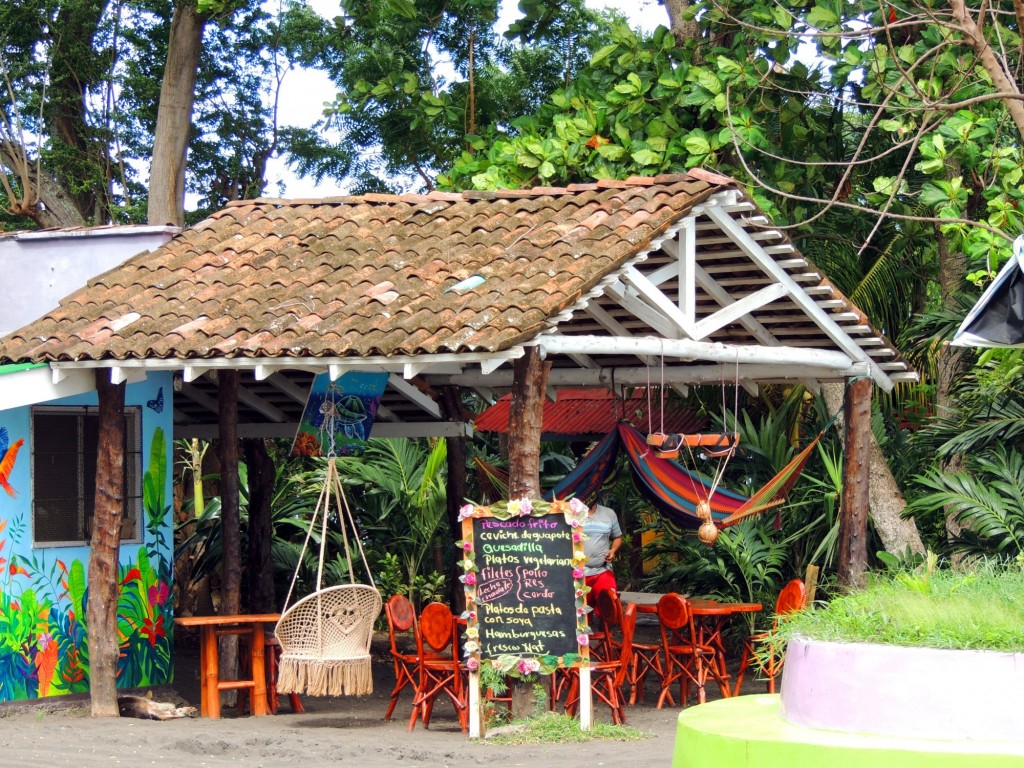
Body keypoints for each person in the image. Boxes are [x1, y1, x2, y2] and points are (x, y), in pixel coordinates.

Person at [582, 500, 623, 608]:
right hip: (577, 573)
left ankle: (606, 624)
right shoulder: (568, 513)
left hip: (603, 570)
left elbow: (617, 537)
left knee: (609, 605)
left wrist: (613, 550)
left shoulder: (609, 513)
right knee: (583, 616)